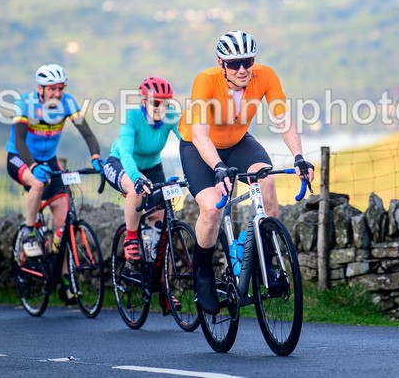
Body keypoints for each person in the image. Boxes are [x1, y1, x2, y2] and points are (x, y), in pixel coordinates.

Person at [178, 30, 315, 314]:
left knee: (267, 181)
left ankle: (266, 262)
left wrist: (299, 157)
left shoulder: (265, 76)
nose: (242, 69)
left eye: (248, 61)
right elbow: (200, 134)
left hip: (239, 142)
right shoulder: (206, 81)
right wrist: (217, 166)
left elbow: (283, 119)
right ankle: (202, 273)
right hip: (199, 147)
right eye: (234, 63)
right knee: (212, 209)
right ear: (221, 63)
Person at [5, 63, 103, 304]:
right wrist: (33, 166)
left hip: (49, 160)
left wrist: (95, 156)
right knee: (38, 185)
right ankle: (29, 233)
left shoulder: (68, 103)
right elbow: (19, 142)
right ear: (40, 88)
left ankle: (67, 282)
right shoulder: (25, 103)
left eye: (61, 88)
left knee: (64, 225)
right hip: (20, 158)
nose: (57, 94)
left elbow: (87, 134)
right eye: (52, 89)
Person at [103, 76, 182, 314]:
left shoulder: (170, 116)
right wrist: (136, 179)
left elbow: (187, 142)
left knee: (165, 228)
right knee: (134, 191)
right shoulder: (132, 117)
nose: (161, 108)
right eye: (156, 102)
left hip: (153, 167)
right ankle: (130, 239)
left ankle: (165, 289)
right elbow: (126, 153)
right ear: (143, 100)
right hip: (121, 163)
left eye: (166, 103)